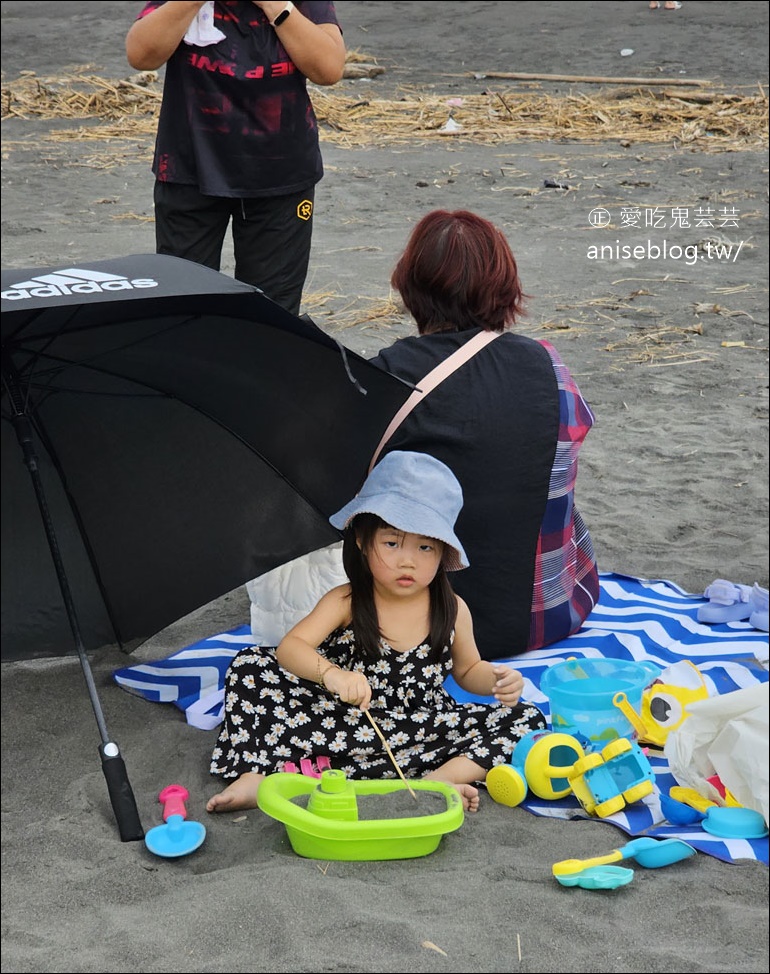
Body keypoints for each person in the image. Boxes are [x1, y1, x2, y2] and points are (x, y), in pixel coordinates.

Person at [207, 450, 547, 814]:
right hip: (339, 722)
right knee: (250, 665)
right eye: (391, 542)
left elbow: (467, 671)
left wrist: (495, 680)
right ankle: (256, 774)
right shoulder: (347, 600)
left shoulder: (451, 609)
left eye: (425, 546)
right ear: (361, 541)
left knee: (525, 718)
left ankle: (437, 782)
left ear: (443, 551)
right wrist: (332, 674)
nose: (407, 560)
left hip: (416, 730)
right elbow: (291, 648)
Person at [368, 209, 601, 661]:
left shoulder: (389, 377)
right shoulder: (548, 366)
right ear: (505, 287)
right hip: (552, 614)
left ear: (410, 286)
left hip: (428, 632)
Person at [125, 1, 346, 316]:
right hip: (190, 168)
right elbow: (140, 54)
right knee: (183, 312)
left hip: (281, 176)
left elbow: (329, 68)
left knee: (272, 320)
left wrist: (274, 5)